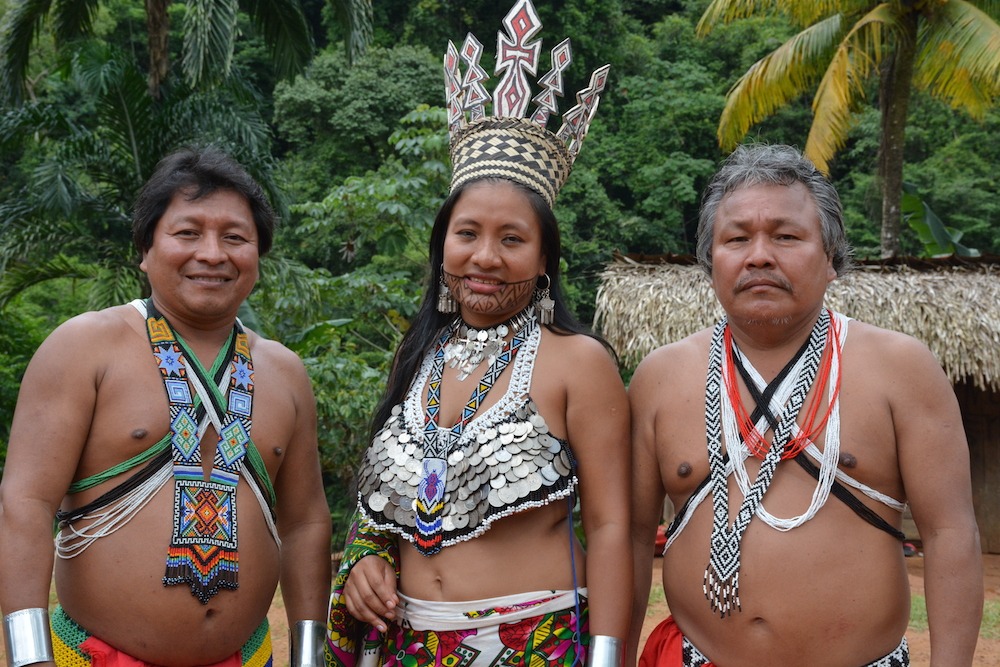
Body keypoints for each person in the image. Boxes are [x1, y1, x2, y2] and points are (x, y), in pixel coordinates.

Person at [324, 1, 630, 665]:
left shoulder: (578, 363)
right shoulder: (417, 353)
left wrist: (605, 658)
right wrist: (367, 564)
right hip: (407, 643)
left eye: (511, 239)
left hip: (535, 644)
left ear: (545, 259)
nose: (485, 257)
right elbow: (383, 511)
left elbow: (611, 527)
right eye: (467, 234)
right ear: (442, 248)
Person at [628, 143, 983, 667]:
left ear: (832, 258)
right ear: (710, 261)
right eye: (737, 238)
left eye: (787, 236)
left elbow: (950, 532)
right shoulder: (660, 378)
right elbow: (631, 540)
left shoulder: (901, 370)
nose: (759, 255)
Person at [0, 147, 332, 667]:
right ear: (146, 247)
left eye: (235, 237)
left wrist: (309, 658)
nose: (212, 253)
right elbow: (25, 501)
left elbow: (306, 523)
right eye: (188, 233)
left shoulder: (284, 372)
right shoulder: (86, 346)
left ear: (258, 256)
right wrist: (28, 657)